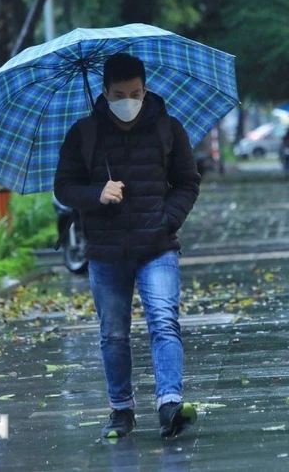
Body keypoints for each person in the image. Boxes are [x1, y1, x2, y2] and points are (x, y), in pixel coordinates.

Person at [54, 53, 201, 439]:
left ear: (145, 88)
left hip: (158, 246)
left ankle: (170, 404)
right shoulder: (84, 134)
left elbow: (188, 182)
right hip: (106, 251)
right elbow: (63, 187)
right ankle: (121, 409)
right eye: (119, 94)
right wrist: (95, 194)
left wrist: (167, 219)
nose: (128, 101)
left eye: (135, 93)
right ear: (105, 92)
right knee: (113, 333)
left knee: (164, 322)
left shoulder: (169, 129)